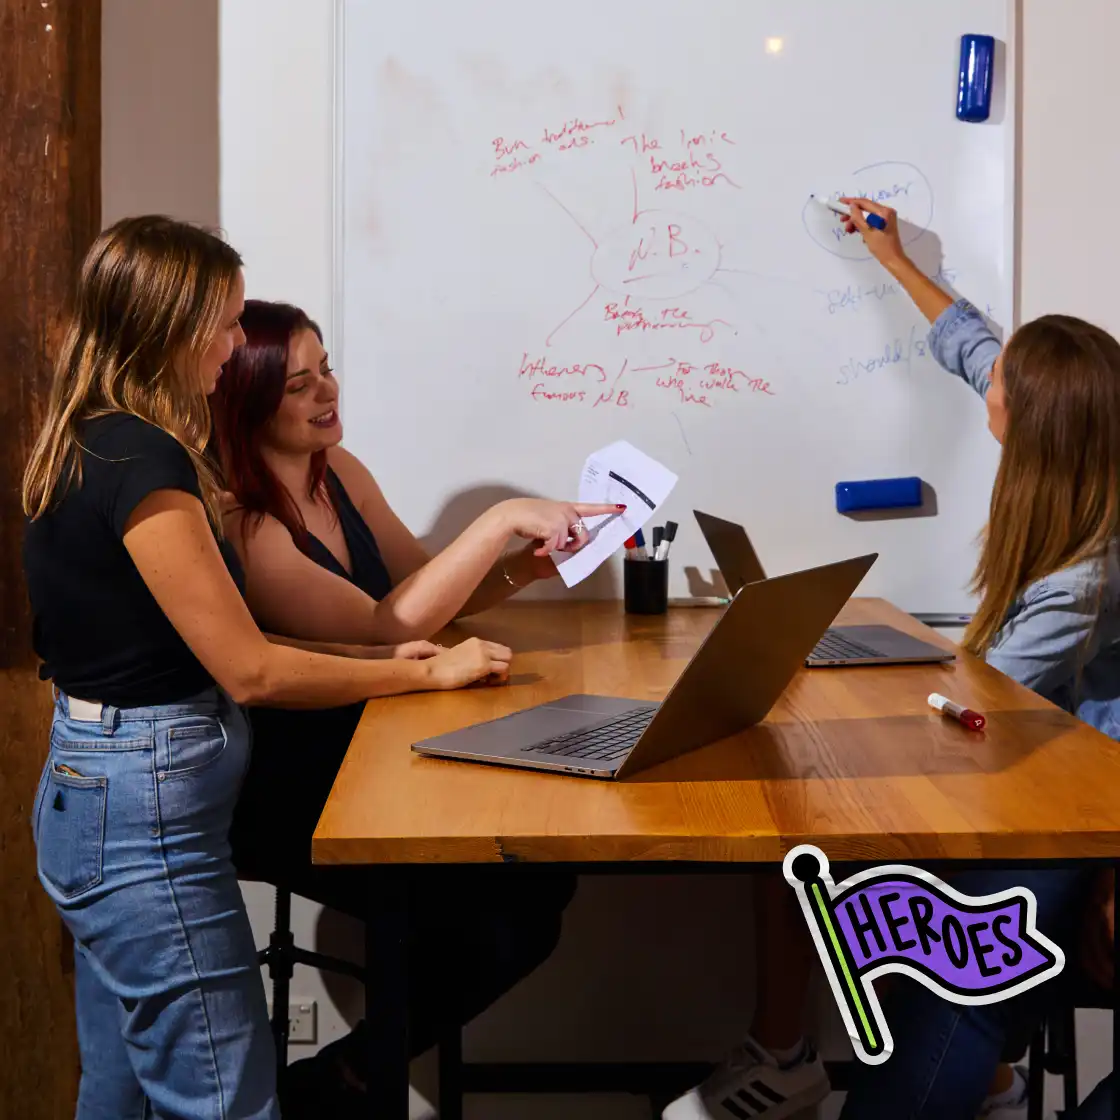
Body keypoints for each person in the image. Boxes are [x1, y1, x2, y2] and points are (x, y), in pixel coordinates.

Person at [22, 216, 521, 1120]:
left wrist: (368, 652)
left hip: (94, 790)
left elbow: (186, 642)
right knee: (226, 1099)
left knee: (124, 1089)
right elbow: (248, 672)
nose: (228, 345)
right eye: (221, 321)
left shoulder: (90, 437)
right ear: (172, 326)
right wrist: (422, 676)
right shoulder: (150, 462)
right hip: (143, 815)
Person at [663, 194, 1120, 1120]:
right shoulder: (1073, 443)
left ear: (1033, 426)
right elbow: (971, 343)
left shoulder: (1084, 578)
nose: (987, 383)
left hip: (1064, 810)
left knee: (893, 914)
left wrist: (848, 685)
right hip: (1026, 774)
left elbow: (976, 701)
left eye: (1002, 384)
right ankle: (806, 1057)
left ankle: (962, 1071)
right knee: (800, 847)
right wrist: (897, 258)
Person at [208, 299, 622, 1115]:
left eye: (326, 367)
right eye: (300, 383)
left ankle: (346, 1078)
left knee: (543, 889)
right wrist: (501, 518)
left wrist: (514, 573)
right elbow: (381, 624)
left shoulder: (341, 471)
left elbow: (422, 593)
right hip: (297, 782)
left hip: (377, 748)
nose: (327, 392)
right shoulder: (240, 519)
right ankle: (343, 1083)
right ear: (248, 399)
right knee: (509, 918)